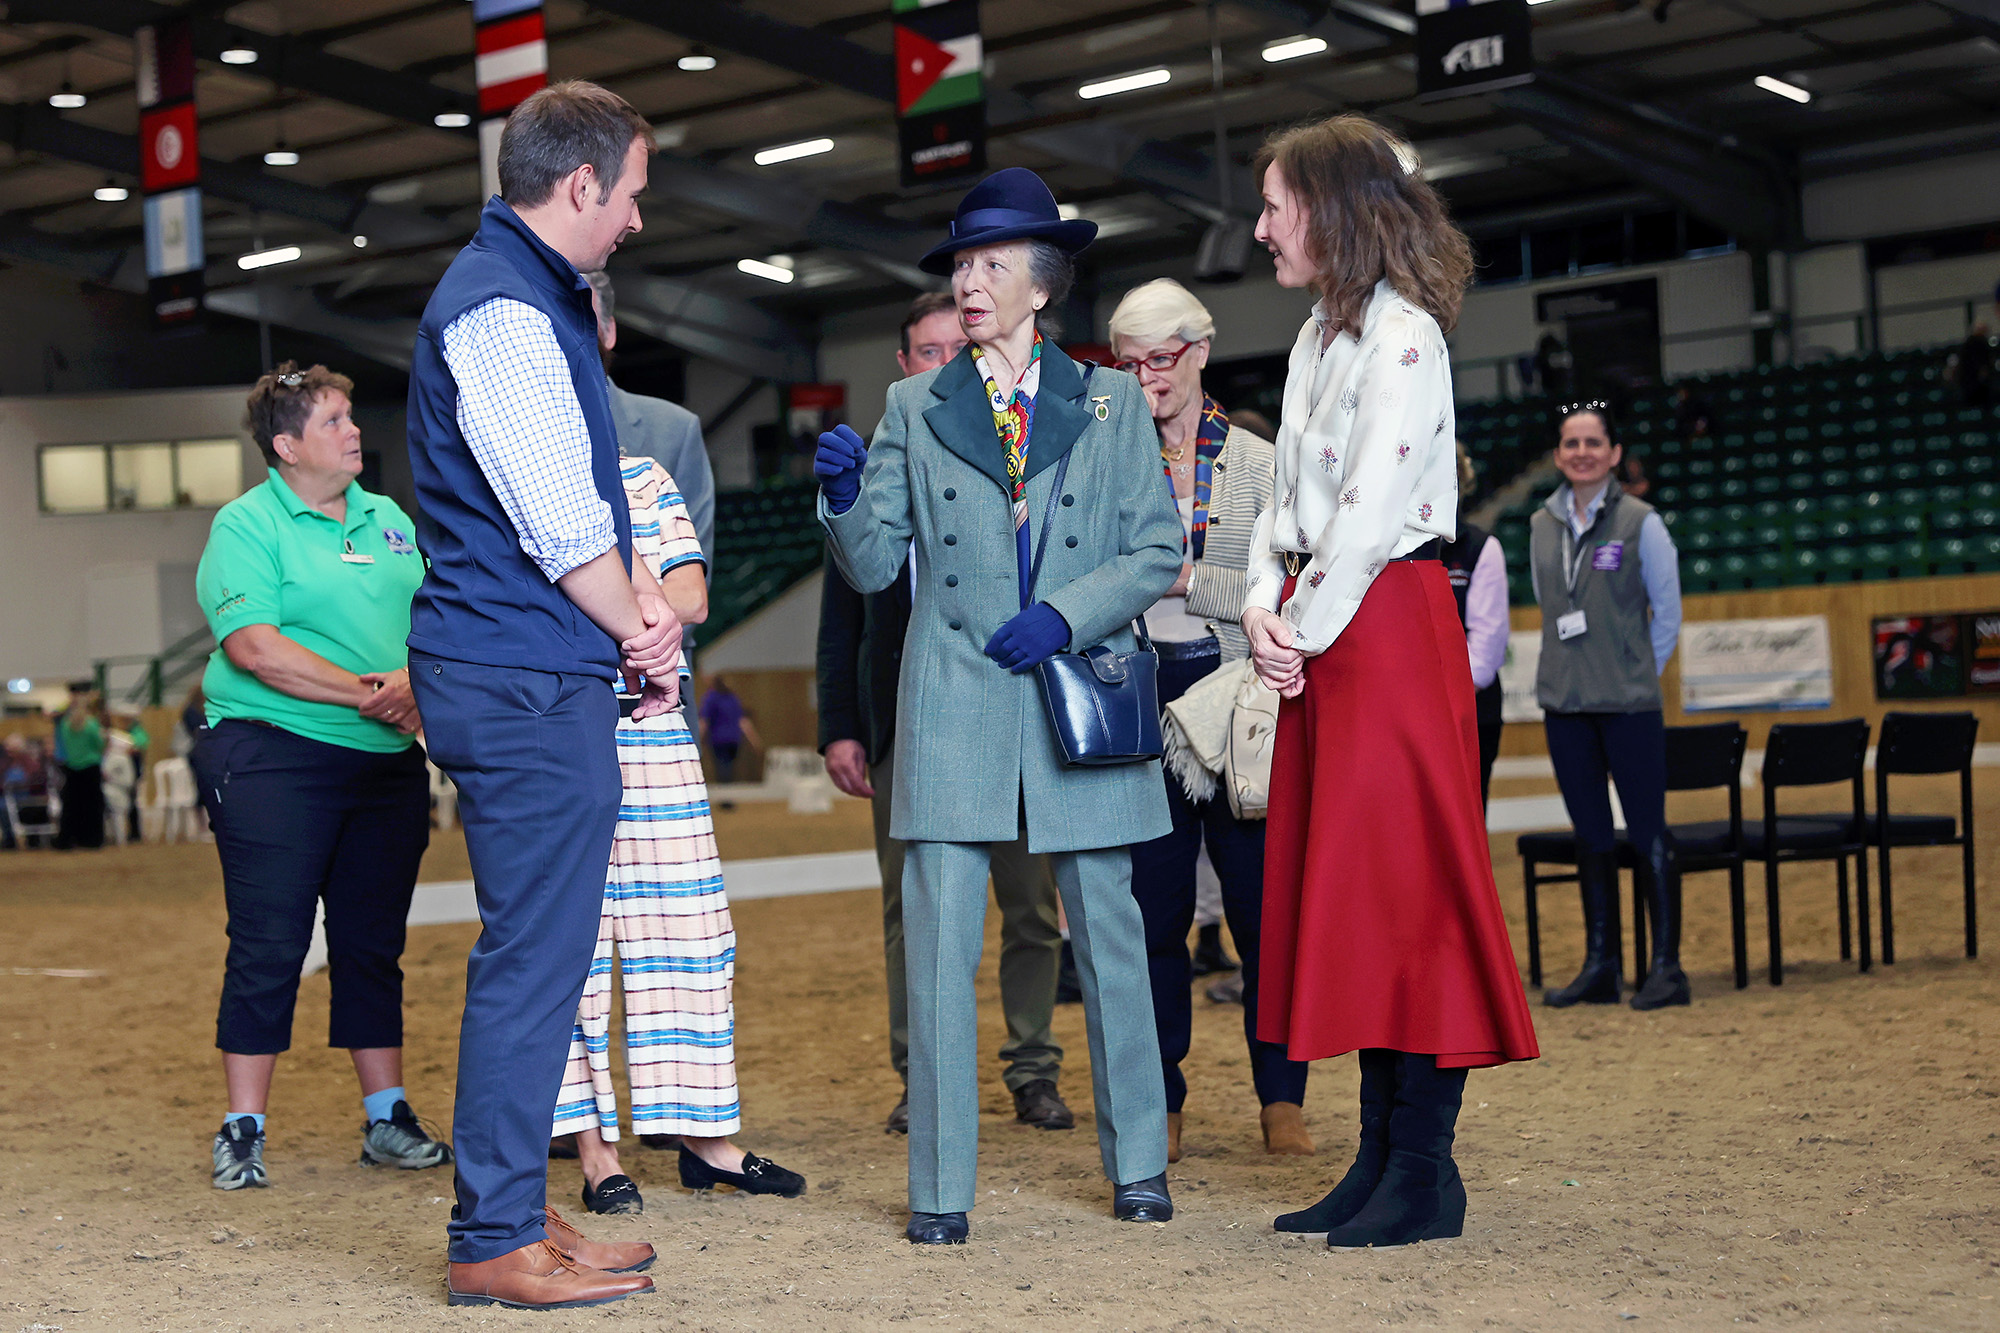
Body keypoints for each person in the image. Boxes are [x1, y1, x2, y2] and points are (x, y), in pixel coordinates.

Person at [814, 166, 1181, 1245]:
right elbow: (877, 562)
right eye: (959, 266)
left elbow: (1156, 547)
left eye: (986, 266)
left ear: (1038, 285)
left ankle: (1140, 1164)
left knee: (1109, 940)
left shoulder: (1111, 402)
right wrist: (840, 499)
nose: (967, 284)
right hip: (951, 701)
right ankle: (938, 1187)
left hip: (1073, 694)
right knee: (936, 952)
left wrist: (1066, 615)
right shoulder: (910, 405)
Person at [1240, 115, 1539, 1249]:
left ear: (1327, 208)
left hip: (1386, 625)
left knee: (1405, 898)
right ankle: (1378, 1157)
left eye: (1275, 204)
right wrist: (1269, 600)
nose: (1262, 226)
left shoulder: (1405, 336)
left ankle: (1423, 1166)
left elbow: (1366, 517)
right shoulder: (1320, 336)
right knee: (1356, 900)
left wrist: (1296, 627)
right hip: (1326, 631)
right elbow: (1283, 497)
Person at [405, 81, 680, 1310]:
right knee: (532, 959)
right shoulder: (504, 307)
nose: (631, 219)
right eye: (627, 195)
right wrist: (644, 628)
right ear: (579, 187)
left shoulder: (520, 294)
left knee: (544, 953)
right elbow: (559, 519)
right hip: (519, 672)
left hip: (520, 665)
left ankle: (514, 1206)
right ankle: (492, 1234)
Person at [190, 361, 450, 1194]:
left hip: (384, 764)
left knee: (372, 945)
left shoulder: (389, 518)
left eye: (350, 417)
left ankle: (387, 1116)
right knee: (270, 942)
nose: (353, 430)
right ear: (286, 444)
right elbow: (255, 648)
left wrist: (419, 679)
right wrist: (374, 693)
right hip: (276, 754)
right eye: (334, 420)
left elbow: (433, 613)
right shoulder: (248, 523)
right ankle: (243, 1127)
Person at [817, 290, 1071, 1138]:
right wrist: (840, 724)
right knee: (910, 910)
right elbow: (842, 611)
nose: (938, 362)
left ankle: (1032, 1066)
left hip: (1016, 713)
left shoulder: (1014, 450)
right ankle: (919, 1073)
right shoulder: (886, 454)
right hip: (907, 722)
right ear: (904, 366)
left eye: (948, 350)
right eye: (923, 351)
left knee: (1031, 906)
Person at [551, 454, 805, 1213]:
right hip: (560, 724)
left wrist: (622, 590)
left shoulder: (639, 473)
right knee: (573, 945)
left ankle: (705, 1138)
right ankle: (595, 1153)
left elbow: (691, 596)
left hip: (656, 725)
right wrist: (637, 590)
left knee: (694, 936)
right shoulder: (522, 463)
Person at [1107, 277, 1312, 1163]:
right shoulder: (1102, 459)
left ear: (1198, 352)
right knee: (1153, 919)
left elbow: (1290, 591)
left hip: (1241, 710)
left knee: (1264, 916)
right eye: (1126, 364)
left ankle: (1282, 1097)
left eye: (1159, 359)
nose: (1144, 379)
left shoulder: (1264, 463)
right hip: (1141, 706)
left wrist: (1191, 581)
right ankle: (1165, 1100)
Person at [1530, 401, 1686, 1011]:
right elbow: (1550, 604)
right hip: (1565, 706)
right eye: (1571, 442)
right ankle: (1602, 965)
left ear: (1615, 454)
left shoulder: (1643, 522)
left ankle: (1667, 967)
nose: (1582, 452)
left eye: (1594, 442)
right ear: (1558, 454)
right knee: (1590, 834)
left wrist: (1636, 673)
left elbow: (1667, 615)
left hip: (1628, 707)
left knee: (1647, 830)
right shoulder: (1542, 524)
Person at [583, 269, 715, 561]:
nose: (572, 334)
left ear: (610, 331)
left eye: (584, 319)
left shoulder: (675, 431)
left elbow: (693, 580)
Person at [1438, 441, 1509, 807]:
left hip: (1471, 712)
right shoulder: (1391, 547)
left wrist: (1430, 692)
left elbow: (1484, 653)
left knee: (1468, 815)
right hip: (1414, 712)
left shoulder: (1481, 548)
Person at [52, 682, 104, 850]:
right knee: (92, 805)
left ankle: (67, 839)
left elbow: (65, 746)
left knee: (71, 805)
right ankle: (91, 839)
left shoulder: (66, 726)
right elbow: (98, 744)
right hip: (90, 766)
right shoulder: (91, 724)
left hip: (72, 766)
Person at [697, 677, 758, 784]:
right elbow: (743, 721)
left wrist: (698, 739)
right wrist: (754, 740)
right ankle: (728, 786)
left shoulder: (711, 698)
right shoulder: (733, 699)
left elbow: (704, 721)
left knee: (722, 766)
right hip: (733, 739)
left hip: (718, 739)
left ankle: (725, 788)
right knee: (729, 766)